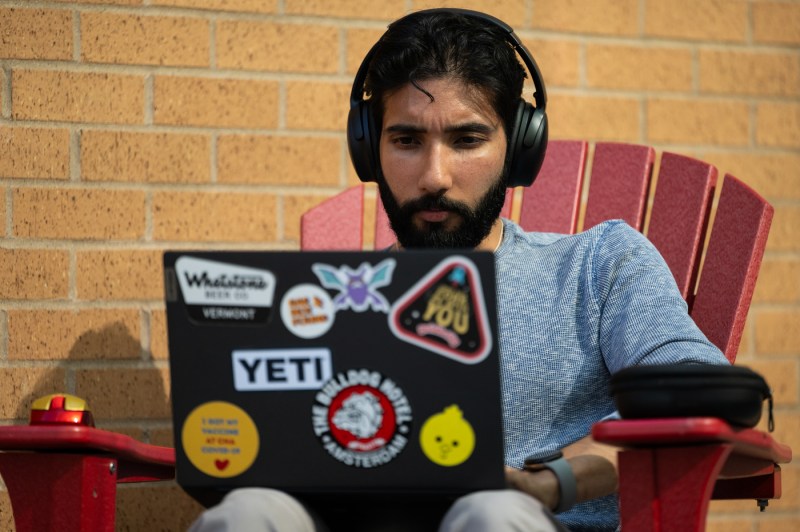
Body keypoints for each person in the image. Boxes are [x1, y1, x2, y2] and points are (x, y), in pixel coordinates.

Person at [190, 8, 728, 531]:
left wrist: (549, 482)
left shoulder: (598, 265)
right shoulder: (330, 304)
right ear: (369, 150)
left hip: (529, 516)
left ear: (518, 149)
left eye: (467, 140)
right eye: (406, 140)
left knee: (489, 513)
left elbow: (697, 399)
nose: (434, 176)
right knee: (247, 512)